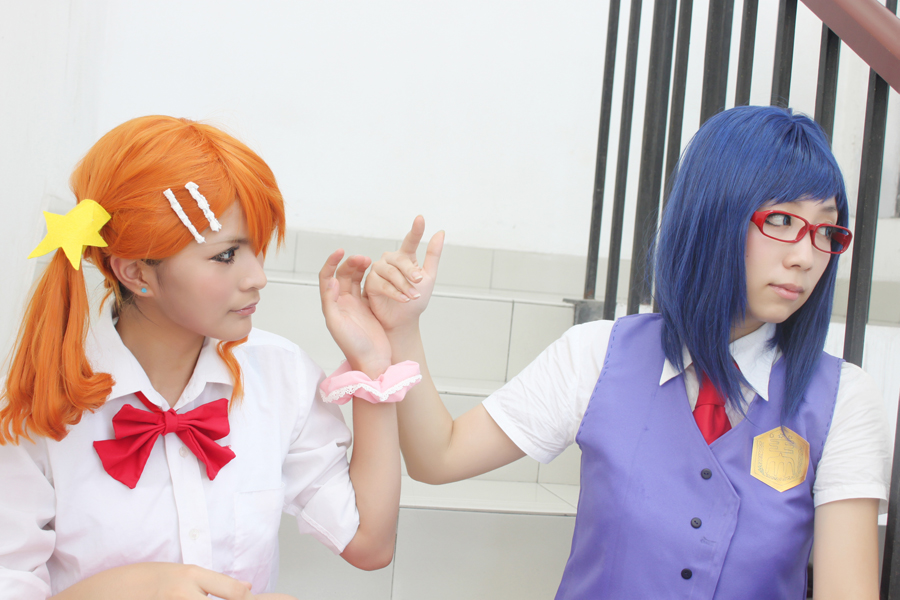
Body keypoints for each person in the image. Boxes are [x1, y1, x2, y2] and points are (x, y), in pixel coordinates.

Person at [362, 106, 891, 599]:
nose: (805, 257)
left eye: (825, 230)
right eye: (781, 221)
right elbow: (438, 456)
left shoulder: (843, 400)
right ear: (714, 216)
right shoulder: (597, 355)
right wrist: (403, 331)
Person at [0, 116, 405, 599]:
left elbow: (368, 545)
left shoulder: (281, 376)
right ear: (136, 273)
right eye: (226, 255)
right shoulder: (37, 405)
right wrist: (120, 590)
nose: (258, 277)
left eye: (255, 248)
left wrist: (372, 366)